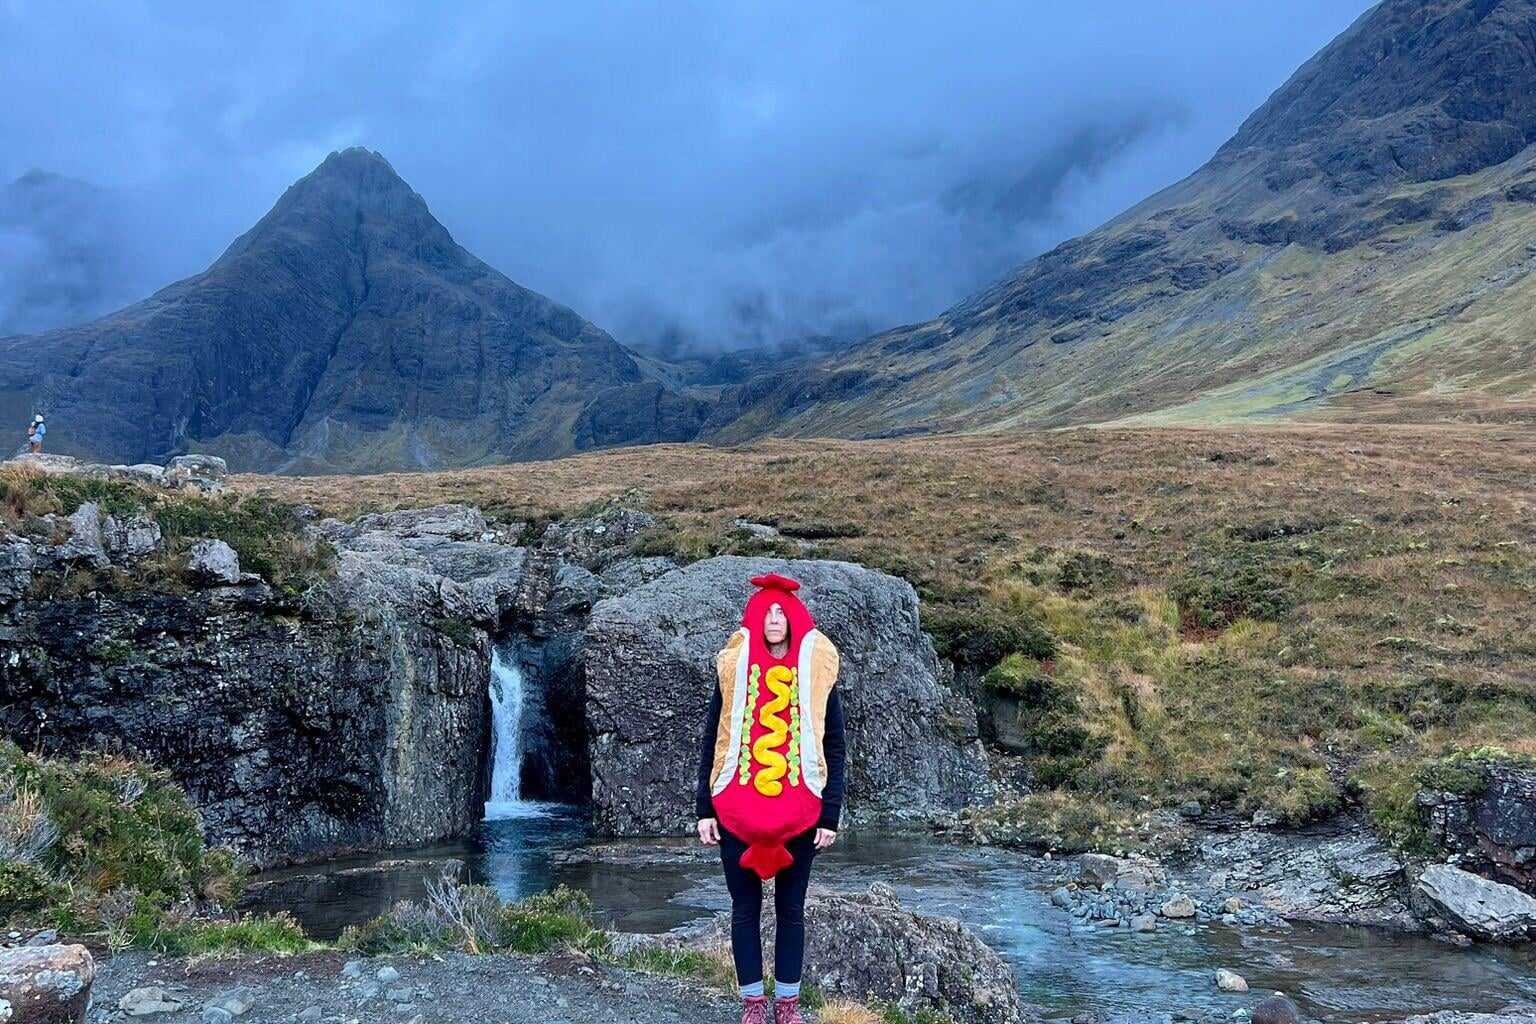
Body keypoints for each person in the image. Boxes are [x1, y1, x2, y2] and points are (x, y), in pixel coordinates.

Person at [695, 573, 847, 1024]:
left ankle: (788, 1005)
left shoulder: (817, 675)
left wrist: (830, 815)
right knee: (744, 910)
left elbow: (834, 746)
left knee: (790, 910)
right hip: (737, 811)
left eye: (783, 611)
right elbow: (714, 740)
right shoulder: (735, 671)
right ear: (755, 620)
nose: (775, 619)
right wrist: (705, 808)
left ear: (795, 620)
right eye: (768, 612)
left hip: (800, 813)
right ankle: (753, 1005)